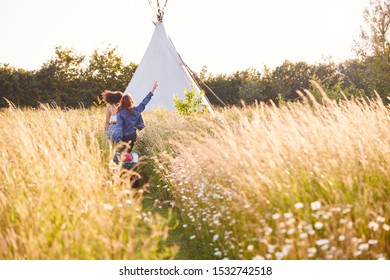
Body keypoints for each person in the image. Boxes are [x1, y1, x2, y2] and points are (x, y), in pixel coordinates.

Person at [114, 81, 158, 151]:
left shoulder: (120, 113)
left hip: (124, 137)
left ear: (122, 102)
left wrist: (118, 139)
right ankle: (129, 160)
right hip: (133, 136)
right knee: (128, 153)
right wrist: (153, 89)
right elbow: (144, 102)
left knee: (123, 155)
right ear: (131, 101)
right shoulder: (136, 110)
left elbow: (119, 127)